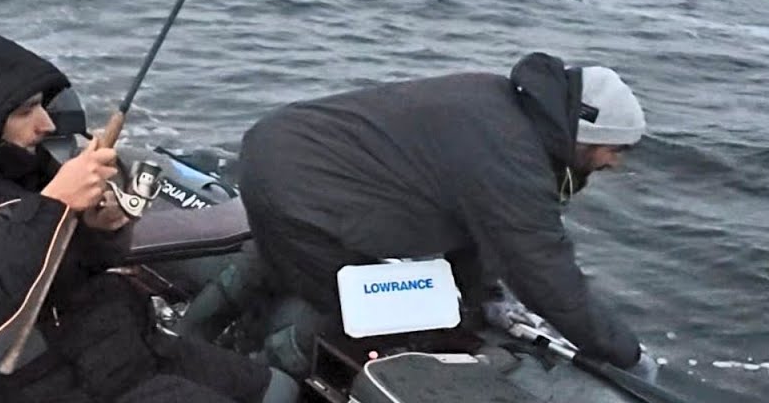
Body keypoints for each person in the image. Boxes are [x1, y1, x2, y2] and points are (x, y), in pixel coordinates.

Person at [0, 31, 295, 403]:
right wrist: (53, 206)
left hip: (130, 345)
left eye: (43, 106)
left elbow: (72, 263)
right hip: (70, 385)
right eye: (26, 110)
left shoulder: (15, 165)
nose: (46, 124)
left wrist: (98, 229)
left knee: (279, 390)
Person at [237, 51, 657, 380]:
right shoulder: (512, 157)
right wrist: (627, 355)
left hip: (279, 148)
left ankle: (231, 308)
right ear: (586, 134)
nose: (614, 163)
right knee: (371, 314)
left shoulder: (503, 105)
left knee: (302, 266)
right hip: (300, 190)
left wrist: (485, 294)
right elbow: (544, 273)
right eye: (614, 150)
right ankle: (266, 368)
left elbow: (474, 222)